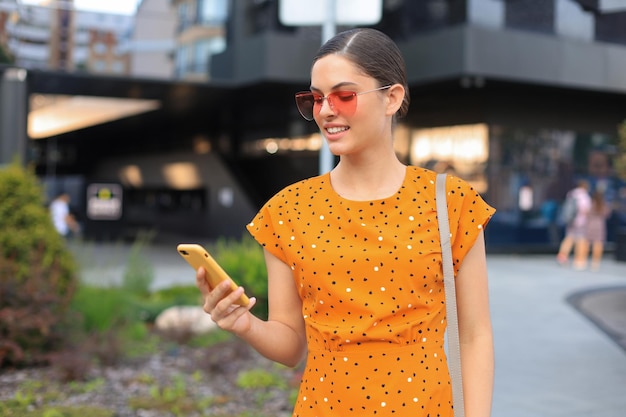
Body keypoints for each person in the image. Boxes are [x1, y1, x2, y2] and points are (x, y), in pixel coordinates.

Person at [195, 28, 495, 417]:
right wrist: (244, 324)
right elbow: (290, 346)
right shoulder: (288, 210)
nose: (325, 111)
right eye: (316, 99)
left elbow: (475, 336)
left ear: (392, 97)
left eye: (343, 95)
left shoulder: (450, 202)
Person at [556, 180, 592, 269]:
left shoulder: (571, 194)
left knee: (569, 237)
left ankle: (562, 256)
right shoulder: (584, 196)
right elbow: (585, 210)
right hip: (581, 221)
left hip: (570, 220)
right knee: (581, 240)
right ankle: (579, 261)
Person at [585, 190, 612, 271]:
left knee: (587, 243)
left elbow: (586, 214)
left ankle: (584, 260)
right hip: (600, 225)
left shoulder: (591, 204)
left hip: (590, 225)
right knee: (598, 244)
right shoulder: (603, 205)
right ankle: (595, 262)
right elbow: (607, 215)